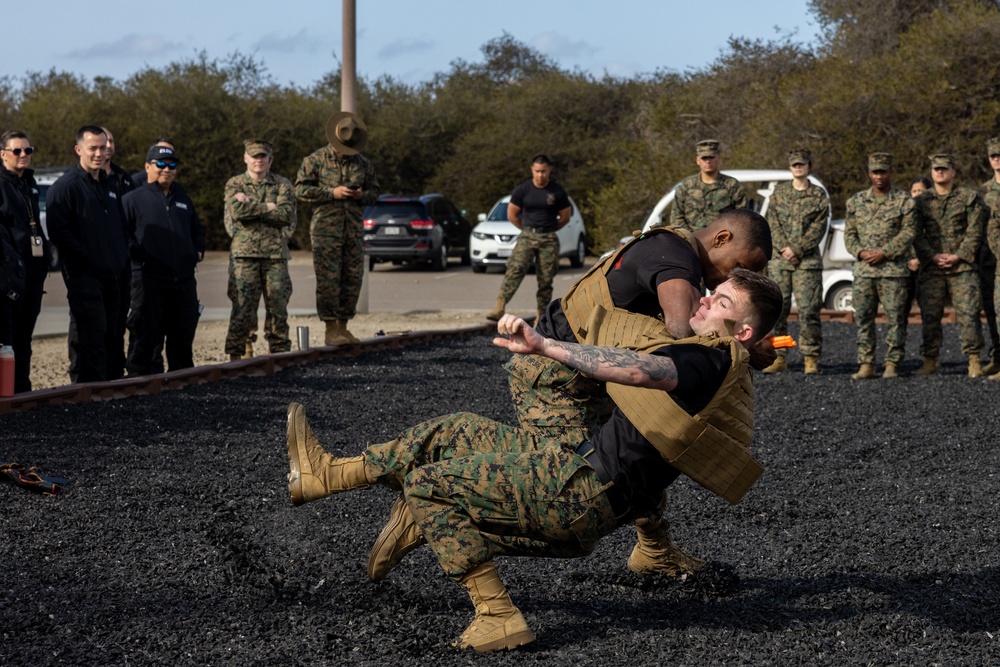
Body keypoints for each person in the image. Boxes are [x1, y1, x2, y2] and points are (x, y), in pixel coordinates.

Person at [283, 268, 783, 653]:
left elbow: (644, 369)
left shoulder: (709, 358)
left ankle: (496, 614)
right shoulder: (722, 357)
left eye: (720, 300)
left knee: (429, 486)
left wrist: (547, 347)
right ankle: (327, 476)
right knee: (451, 430)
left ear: (739, 329)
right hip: (580, 473)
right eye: (711, 289)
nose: (703, 297)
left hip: (579, 492)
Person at [513, 209, 774, 579]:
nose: (732, 278)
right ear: (721, 239)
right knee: (570, 486)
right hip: (553, 377)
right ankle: (467, 530)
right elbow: (681, 333)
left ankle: (654, 551)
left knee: (644, 449)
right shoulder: (675, 259)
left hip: (593, 372)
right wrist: (739, 344)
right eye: (739, 266)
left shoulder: (676, 254)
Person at [45, 126, 129, 383]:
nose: (99, 153)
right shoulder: (66, 187)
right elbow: (60, 234)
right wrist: (90, 260)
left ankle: (112, 387)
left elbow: (119, 227)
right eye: (93, 148)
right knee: (92, 333)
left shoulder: (109, 185)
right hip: (85, 276)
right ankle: (89, 391)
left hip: (114, 276)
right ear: (79, 150)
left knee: (113, 334)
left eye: (103, 147)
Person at [295, 112, 380, 346]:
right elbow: (300, 190)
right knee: (328, 280)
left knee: (352, 278)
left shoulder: (363, 163)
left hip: (353, 229)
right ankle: (330, 328)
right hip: (325, 230)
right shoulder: (316, 160)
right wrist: (331, 193)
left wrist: (361, 195)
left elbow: (375, 193)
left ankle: (344, 326)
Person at [121, 145, 204, 376]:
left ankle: (182, 382)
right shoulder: (131, 200)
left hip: (183, 280)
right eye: (160, 164)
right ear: (148, 166)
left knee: (182, 335)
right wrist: (139, 255)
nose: (166, 169)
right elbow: (123, 234)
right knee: (145, 335)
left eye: (172, 165)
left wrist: (196, 252)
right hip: (149, 279)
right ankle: (139, 383)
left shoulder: (183, 199)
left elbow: (196, 230)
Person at [843, 153, 918, 379]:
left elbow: (909, 232)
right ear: (869, 173)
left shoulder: (905, 201)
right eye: (875, 172)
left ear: (890, 172)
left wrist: (885, 252)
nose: (879, 176)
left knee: (896, 319)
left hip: (894, 271)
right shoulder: (856, 201)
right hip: (865, 271)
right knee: (864, 317)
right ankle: (866, 363)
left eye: (883, 171)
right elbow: (849, 234)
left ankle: (892, 363)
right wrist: (860, 251)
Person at [913, 152, 986, 377]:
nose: (940, 172)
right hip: (932, 267)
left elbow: (975, 230)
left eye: (945, 168)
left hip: (961, 267)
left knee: (969, 314)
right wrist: (931, 256)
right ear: (932, 173)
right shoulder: (921, 202)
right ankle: (930, 360)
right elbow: (915, 233)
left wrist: (959, 255)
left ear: (953, 172)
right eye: (936, 169)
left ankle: (974, 360)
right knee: (930, 316)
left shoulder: (968, 198)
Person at [223, 139, 297, 360]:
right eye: (254, 156)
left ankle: (280, 354)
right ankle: (237, 356)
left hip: (275, 256)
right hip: (244, 256)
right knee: (242, 307)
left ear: (270, 160)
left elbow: (285, 215)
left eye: (263, 156)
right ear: (245, 158)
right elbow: (236, 212)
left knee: (278, 307)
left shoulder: (283, 185)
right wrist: (268, 207)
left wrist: (251, 207)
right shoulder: (235, 184)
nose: (258, 161)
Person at [761, 148, 829, 375]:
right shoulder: (778, 194)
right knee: (778, 311)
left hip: (807, 262)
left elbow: (819, 227)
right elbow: (772, 223)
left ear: (809, 166)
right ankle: (780, 355)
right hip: (781, 262)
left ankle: (811, 357)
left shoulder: (819, 195)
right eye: (794, 164)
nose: (798, 167)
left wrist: (797, 249)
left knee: (809, 311)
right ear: (790, 168)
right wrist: (784, 249)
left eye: (802, 164)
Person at [485, 154, 571, 322]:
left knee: (546, 279)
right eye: (537, 171)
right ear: (532, 170)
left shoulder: (557, 191)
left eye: (544, 171)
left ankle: (541, 316)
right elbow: (512, 214)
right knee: (515, 270)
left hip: (548, 239)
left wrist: (549, 229)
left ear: (549, 171)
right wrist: (527, 230)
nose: (540, 175)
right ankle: (499, 307)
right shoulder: (522, 190)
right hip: (527, 236)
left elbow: (565, 216)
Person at [0, 130, 48, 392]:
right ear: (3, 154)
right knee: (8, 336)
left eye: (27, 150)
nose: (23, 155)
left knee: (25, 336)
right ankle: (8, 391)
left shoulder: (29, 183)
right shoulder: (2, 184)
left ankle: (22, 388)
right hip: (10, 274)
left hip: (33, 270)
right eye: (17, 151)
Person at [669, 139, 748, 232]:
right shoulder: (686, 186)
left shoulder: (731, 185)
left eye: (711, 157)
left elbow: (743, 217)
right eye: (704, 158)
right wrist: (690, 237)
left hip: (723, 240)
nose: (708, 161)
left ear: (719, 158)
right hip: (692, 241)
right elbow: (676, 218)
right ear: (698, 160)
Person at [978, 137, 1000, 376]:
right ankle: (997, 357)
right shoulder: (983, 190)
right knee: (992, 311)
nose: (997, 159)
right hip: (987, 261)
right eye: (993, 156)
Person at [903, 176, 933, 319]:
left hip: (927, 267)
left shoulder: (934, 214)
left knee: (929, 313)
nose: (917, 194)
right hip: (906, 268)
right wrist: (909, 260)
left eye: (921, 190)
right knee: (900, 311)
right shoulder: (904, 213)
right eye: (914, 191)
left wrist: (921, 259)